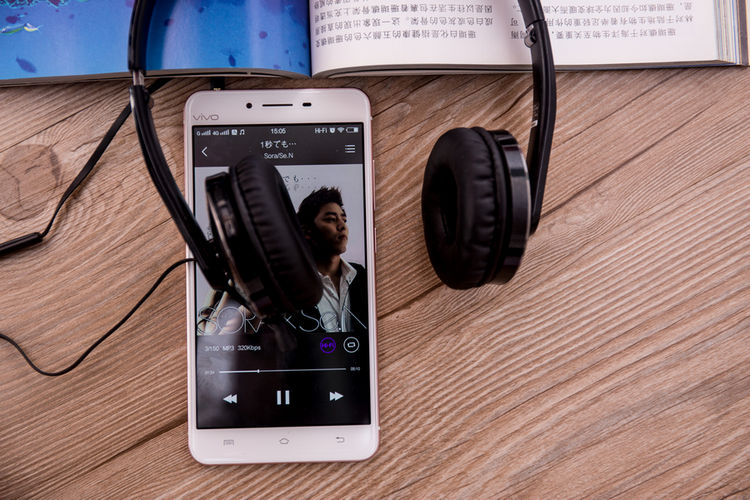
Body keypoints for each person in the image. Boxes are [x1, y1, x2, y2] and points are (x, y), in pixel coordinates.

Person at [295, 186, 367, 333]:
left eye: (344, 219)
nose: (342, 226)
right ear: (306, 230)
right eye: (331, 219)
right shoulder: (291, 286)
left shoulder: (361, 275)